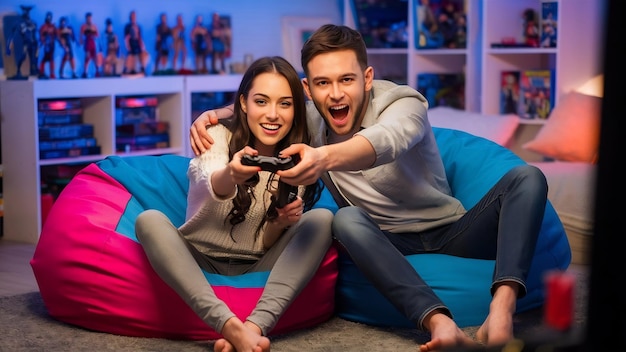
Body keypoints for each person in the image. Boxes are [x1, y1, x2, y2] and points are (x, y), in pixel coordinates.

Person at [189, 24, 549, 351]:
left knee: (529, 177)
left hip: (453, 229)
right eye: (322, 83)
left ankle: (501, 309)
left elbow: (387, 140)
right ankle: (440, 324)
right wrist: (215, 114)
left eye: (347, 80)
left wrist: (324, 158)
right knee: (343, 220)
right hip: (384, 241)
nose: (334, 94)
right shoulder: (310, 115)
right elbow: (267, 106)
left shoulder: (405, 103)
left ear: (367, 78)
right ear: (308, 90)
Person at [135, 56, 333, 352]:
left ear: (296, 109)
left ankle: (254, 327)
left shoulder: (298, 155)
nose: (273, 115)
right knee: (148, 220)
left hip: (258, 262)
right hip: (198, 256)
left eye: (285, 104)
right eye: (262, 101)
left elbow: (264, 243)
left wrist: (279, 223)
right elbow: (208, 181)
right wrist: (232, 174)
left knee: (322, 220)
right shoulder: (215, 136)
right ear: (243, 104)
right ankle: (230, 327)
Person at [5, 5, 38, 79]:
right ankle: (18, 71)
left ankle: (32, 71)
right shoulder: (19, 24)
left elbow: (35, 35)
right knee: (22, 57)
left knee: (33, 58)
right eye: (25, 13)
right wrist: (8, 47)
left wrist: (37, 44)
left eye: (28, 13)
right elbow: (11, 35)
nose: (27, 15)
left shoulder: (33, 23)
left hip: (32, 44)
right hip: (25, 44)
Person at [123, 10, 147, 75]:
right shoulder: (127, 27)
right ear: (130, 17)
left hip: (137, 45)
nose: (133, 17)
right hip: (131, 45)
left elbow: (140, 38)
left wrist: (142, 47)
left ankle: (143, 70)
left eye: (134, 16)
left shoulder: (138, 26)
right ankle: (125, 70)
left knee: (143, 55)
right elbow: (126, 39)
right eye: (132, 16)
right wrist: (128, 47)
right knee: (130, 58)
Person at [79, 12, 100, 78]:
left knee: (94, 57)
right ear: (86, 18)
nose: (89, 19)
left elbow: (97, 35)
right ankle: (85, 72)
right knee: (87, 57)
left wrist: (94, 36)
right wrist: (81, 41)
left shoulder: (94, 26)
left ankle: (97, 71)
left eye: (90, 18)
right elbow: (81, 35)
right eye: (88, 18)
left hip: (93, 43)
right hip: (87, 43)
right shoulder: (83, 26)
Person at [38, 11, 57, 79]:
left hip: (52, 45)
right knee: (44, 59)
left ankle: (52, 73)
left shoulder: (53, 26)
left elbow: (56, 35)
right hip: (46, 45)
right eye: (48, 17)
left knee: (51, 59)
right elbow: (41, 35)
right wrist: (43, 42)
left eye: (50, 17)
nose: (49, 18)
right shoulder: (43, 27)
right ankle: (41, 72)